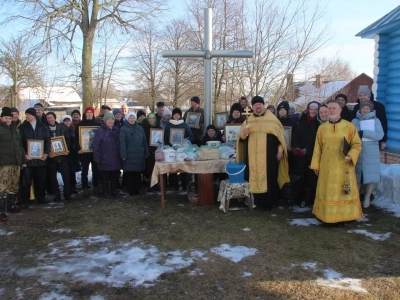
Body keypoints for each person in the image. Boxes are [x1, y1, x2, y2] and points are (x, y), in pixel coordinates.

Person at [310, 100, 362, 225]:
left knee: (343, 191)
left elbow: (357, 144)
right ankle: (327, 216)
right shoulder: (322, 128)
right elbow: (318, 148)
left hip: (343, 166)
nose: (332, 110)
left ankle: (346, 216)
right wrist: (316, 165)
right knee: (327, 192)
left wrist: (351, 155)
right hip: (327, 167)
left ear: (340, 110)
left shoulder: (349, 127)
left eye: (334, 108)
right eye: (330, 108)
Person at [236, 96, 290, 210]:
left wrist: (280, 151)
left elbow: (281, 139)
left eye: (259, 104)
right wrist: (244, 134)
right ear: (253, 107)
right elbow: (241, 140)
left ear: (263, 105)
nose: (258, 107)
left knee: (270, 177)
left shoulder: (273, 120)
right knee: (252, 176)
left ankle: (269, 202)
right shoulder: (248, 120)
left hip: (269, 156)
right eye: (255, 105)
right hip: (252, 157)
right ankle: (255, 202)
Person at [351, 100, 384, 208]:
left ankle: (367, 196)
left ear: (371, 110)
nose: (365, 110)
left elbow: (380, 135)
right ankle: (356, 197)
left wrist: (364, 132)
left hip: (371, 152)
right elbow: (349, 134)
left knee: (371, 175)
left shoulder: (376, 121)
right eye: (363, 108)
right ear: (360, 109)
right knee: (357, 174)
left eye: (367, 108)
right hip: (358, 150)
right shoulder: (354, 121)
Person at [19, 107, 51, 205]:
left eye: (28, 114)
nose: (26, 116)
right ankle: (25, 201)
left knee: (41, 181)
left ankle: (41, 198)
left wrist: (46, 153)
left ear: (33, 115)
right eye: (26, 114)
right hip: (28, 160)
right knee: (26, 182)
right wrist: (24, 154)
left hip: (41, 159)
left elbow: (48, 141)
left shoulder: (43, 127)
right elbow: (19, 143)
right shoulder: (22, 127)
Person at [292, 101, 320, 205]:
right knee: (300, 178)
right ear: (308, 110)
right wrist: (297, 147)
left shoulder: (317, 124)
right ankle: (300, 199)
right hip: (299, 155)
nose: (313, 111)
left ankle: (312, 199)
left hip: (311, 155)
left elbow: (315, 140)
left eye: (315, 110)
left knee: (311, 178)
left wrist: (307, 150)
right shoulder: (301, 121)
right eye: (311, 109)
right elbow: (295, 136)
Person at [0, 107, 27, 214]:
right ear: (1, 118)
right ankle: (1, 211)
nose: (8, 120)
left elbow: (20, 146)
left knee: (14, 185)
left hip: (16, 163)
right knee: (2, 187)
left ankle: (11, 206)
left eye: (10, 118)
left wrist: (23, 160)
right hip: (3, 163)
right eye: (6, 118)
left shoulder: (15, 129)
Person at [93, 112, 121, 198]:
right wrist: (97, 158)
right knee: (105, 177)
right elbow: (95, 146)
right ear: (105, 121)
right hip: (104, 158)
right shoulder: (100, 131)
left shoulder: (116, 130)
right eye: (109, 119)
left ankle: (114, 191)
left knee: (114, 176)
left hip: (114, 158)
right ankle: (105, 192)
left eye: (112, 119)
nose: (111, 121)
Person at [120, 112, 149, 196]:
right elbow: (122, 143)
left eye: (133, 118)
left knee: (137, 174)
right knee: (130, 174)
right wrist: (123, 155)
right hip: (129, 155)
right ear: (127, 119)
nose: (132, 119)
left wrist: (146, 152)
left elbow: (144, 141)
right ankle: (131, 190)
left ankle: (137, 189)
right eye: (130, 118)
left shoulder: (140, 128)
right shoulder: (123, 129)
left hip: (139, 154)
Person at [164, 108, 193, 190]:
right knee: (173, 167)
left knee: (183, 166)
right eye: (175, 114)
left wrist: (185, 142)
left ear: (180, 115)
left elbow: (190, 136)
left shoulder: (184, 124)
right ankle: (174, 185)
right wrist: (168, 145)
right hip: (171, 149)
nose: (176, 116)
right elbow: (165, 137)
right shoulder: (169, 125)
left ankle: (184, 185)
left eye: (178, 114)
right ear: (172, 115)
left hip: (182, 149)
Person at [75, 106, 100, 197]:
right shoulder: (79, 125)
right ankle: (85, 187)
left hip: (94, 152)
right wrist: (78, 148)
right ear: (85, 114)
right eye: (87, 112)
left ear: (93, 114)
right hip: (84, 152)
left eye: (91, 112)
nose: (89, 114)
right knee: (84, 170)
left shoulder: (97, 124)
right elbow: (76, 138)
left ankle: (96, 186)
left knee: (95, 170)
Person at [46, 112, 71, 201]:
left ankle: (67, 194)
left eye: (51, 117)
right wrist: (48, 152)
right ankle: (57, 194)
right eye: (48, 118)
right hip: (51, 158)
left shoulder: (62, 128)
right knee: (53, 178)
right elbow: (45, 142)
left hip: (63, 156)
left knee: (66, 177)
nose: (49, 119)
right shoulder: (45, 129)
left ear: (54, 118)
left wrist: (66, 149)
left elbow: (67, 140)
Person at [61, 115, 80, 195]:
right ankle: (68, 188)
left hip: (73, 153)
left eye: (69, 121)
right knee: (66, 172)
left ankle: (73, 186)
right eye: (65, 121)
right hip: (65, 154)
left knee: (73, 172)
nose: (67, 122)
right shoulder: (61, 129)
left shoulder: (73, 129)